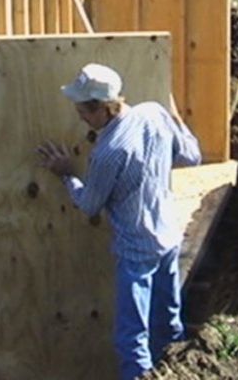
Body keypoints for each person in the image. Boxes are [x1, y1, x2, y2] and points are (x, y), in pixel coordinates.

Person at [36, 63, 202, 380]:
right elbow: (191, 157)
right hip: (167, 238)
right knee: (168, 323)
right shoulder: (154, 113)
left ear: (100, 108)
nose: (78, 115)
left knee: (131, 339)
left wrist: (66, 174)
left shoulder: (109, 151)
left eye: (82, 109)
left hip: (136, 252)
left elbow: (88, 206)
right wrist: (176, 120)